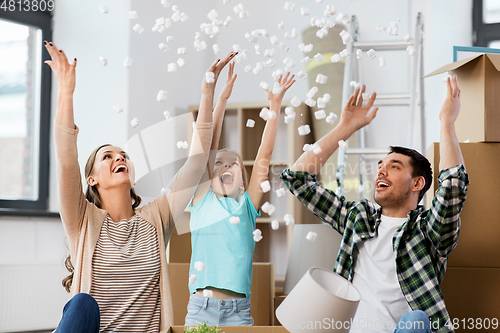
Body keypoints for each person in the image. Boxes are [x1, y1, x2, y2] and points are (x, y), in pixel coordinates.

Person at [44, 40, 236, 332]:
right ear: (92, 179)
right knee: (81, 303)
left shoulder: (157, 217)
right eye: (107, 157)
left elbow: (196, 164)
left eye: (123, 155)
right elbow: (66, 161)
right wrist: (66, 91)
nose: (119, 157)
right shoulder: (82, 221)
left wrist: (207, 94)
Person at [280, 76, 468, 333]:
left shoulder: (428, 231)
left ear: (417, 184)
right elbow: (298, 180)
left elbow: (452, 189)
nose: (381, 172)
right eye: (380, 166)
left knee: (417, 320)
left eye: (394, 167)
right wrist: (344, 129)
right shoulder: (359, 217)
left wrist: (447, 123)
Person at [184, 68, 296, 327]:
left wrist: (275, 105)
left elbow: (263, 156)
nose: (225, 166)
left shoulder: (246, 206)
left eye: (233, 164)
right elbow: (207, 147)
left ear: (244, 183)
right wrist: (220, 101)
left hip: (239, 312)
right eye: (219, 164)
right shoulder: (202, 201)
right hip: (202, 308)